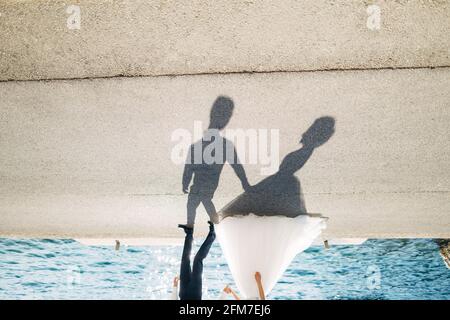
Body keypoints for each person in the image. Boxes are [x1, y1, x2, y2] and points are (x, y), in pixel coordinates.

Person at [180, 96, 251, 228]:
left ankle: (211, 224)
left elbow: (188, 167)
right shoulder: (221, 145)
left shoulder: (199, 146)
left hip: (208, 182)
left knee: (202, 200)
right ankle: (203, 225)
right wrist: (244, 182)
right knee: (194, 202)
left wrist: (185, 181)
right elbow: (237, 166)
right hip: (202, 182)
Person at [178, 221, 216, 300]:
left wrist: (175, 287)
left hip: (183, 293)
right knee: (197, 260)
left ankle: (189, 233)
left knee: (185, 260)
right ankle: (212, 235)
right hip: (195, 293)